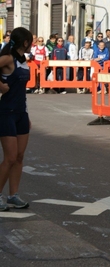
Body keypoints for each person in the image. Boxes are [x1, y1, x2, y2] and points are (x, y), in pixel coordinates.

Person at [0, 27, 33, 211]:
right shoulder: (8, 58)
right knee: (10, 158)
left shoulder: (23, 61)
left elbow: (22, 91)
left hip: (21, 113)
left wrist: (26, 115)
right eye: (31, 41)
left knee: (19, 157)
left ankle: (13, 195)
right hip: (6, 113)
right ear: (25, 42)